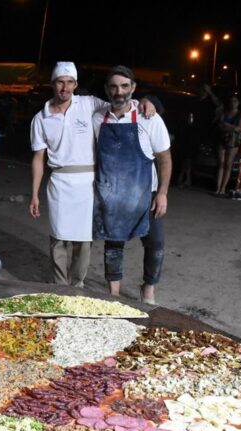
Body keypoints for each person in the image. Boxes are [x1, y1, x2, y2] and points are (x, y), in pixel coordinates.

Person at [29, 61, 156, 288]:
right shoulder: (41, 118)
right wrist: (34, 194)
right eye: (60, 82)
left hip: (88, 182)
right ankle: (59, 287)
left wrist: (146, 101)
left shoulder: (88, 104)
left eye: (69, 83)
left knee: (83, 240)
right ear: (53, 84)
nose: (65, 88)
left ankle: (77, 285)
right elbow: (38, 158)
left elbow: (121, 104)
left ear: (76, 85)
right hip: (59, 180)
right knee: (58, 238)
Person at [93, 66, 171, 303]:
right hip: (112, 194)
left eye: (125, 86)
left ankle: (148, 288)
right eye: (114, 87)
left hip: (147, 193)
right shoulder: (97, 118)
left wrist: (163, 194)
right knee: (113, 244)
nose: (119, 92)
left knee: (155, 244)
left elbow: (164, 158)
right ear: (107, 90)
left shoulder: (149, 117)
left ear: (133, 88)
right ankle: (114, 293)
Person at [178, 83, 221, 188]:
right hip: (192, 130)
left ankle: (187, 178)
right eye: (201, 89)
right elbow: (189, 115)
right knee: (187, 155)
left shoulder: (209, 102)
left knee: (193, 156)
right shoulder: (195, 101)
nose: (202, 92)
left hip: (204, 132)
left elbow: (219, 105)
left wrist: (210, 92)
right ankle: (185, 177)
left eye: (204, 90)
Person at [215, 95, 241, 196]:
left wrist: (227, 126)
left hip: (233, 141)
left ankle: (223, 188)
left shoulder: (240, 115)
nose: (233, 103)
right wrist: (231, 127)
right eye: (231, 101)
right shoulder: (225, 113)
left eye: (235, 101)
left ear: (238, 103)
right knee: (221, 163)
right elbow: (220, 125)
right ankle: (218, 188)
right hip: (222, 138)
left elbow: (239, 128)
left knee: (228, 164)